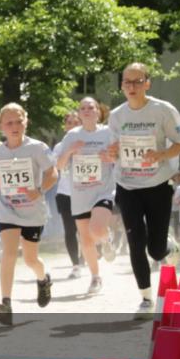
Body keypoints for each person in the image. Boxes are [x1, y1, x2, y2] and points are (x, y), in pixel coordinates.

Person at [105, 63, 180, 317]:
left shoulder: (164, 110)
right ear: (121, 85)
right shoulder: (116, 115)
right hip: (127, 185)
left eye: (137, 81)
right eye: (127, 82)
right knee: (135, 241)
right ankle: (145, 298)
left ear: (147, 83)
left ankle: (167, 246)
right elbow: (113, 150)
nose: (132, 87)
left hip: (158, 185)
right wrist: (112, 152)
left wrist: (161, 154)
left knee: (155, 249)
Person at [0, 103, 57, 325]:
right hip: (8, 210)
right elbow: (0, 178)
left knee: (31, 259)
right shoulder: (0, 151)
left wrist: (39, 190)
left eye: (18, 122)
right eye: (9, 123)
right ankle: (6, 303)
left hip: (32, 212)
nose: (14, 126)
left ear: (25, 122)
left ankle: (43, 279)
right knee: (9, 254)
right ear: (1, 126)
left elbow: (53, 173)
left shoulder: (37, 148)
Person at [55, 97, 116, 295]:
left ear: (99, 111)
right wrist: (71, 151)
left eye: (91, 107)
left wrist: (110, 157)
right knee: (86, 240)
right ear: (79, 114)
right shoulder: (72, 136)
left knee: (97, 229)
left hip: (103, 189)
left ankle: (106, 238)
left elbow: (120, 158)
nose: (87, 111)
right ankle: (95, 277)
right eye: (83, 108)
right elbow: (60, 166)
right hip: (80, 193)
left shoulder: (108, 133)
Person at [49, 112, 82, 278]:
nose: (72, 125)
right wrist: (69, 151)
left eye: (76, 122)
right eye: (69, 123)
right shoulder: (59, 146)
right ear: (65, 126)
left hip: (87, 192)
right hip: (65, 192)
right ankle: (76, 264)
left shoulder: (89, 142)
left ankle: (95, 249)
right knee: (70, 230)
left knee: (88, 230)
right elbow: (58, 167)